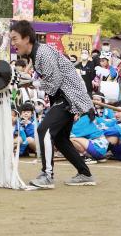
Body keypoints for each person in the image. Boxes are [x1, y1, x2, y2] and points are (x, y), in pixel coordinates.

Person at [10, 20, 96, 188]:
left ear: (27, 38)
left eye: (15, 39)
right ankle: (85, 174)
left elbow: (54, 82)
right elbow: (49, 80)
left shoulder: (42, 52)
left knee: (44, 130)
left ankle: (47, 176)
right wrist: (28, 81)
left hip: (68, 98)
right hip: (65, 97)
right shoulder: (36, 54)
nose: (13, 44)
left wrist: (30, 83)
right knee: (60, 139)